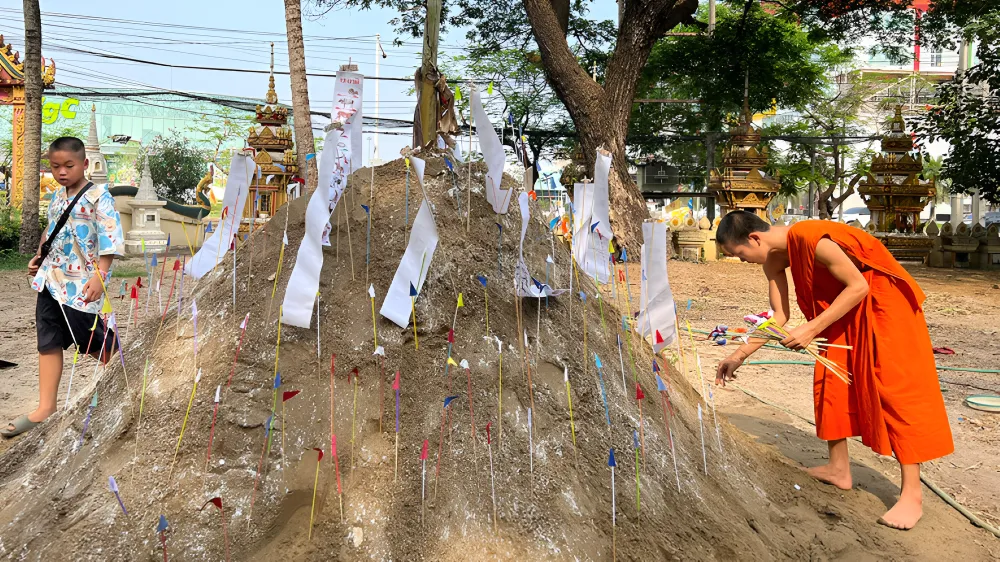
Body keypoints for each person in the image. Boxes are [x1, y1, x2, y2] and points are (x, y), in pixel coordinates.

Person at [713, 211, 953, 531]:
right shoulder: (772, 261)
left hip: (883, 307)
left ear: (754, 239)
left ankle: (912, 494)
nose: (741, 261)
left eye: (739, 254)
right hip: (842, 313)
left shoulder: (813, 239)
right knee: (831, 381)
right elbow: (779, 315)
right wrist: (739, 354)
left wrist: (812, 328)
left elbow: (858, 287)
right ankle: (839, 469)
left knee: (894, 391)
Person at [2, 137, 124, 438]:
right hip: (51, 280)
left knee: (95, 341)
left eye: (69, 165)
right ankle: (46, 408)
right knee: (48, 340)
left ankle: (131, 379)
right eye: (55, 166)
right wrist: (40, 254)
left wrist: (101, 276)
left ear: (84, 164)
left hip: (82, 285)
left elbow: (109, 236)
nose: (62, 172)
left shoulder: (99, 197)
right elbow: (52, 228)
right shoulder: (57, 196)